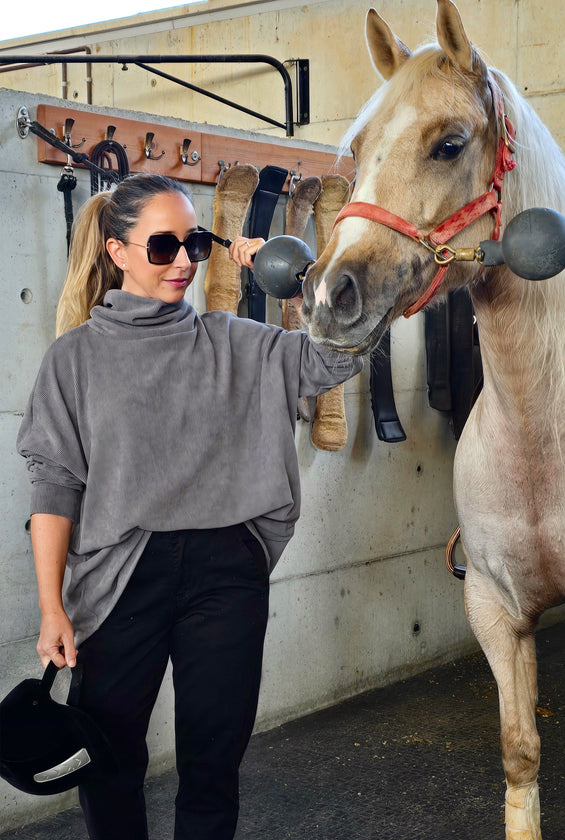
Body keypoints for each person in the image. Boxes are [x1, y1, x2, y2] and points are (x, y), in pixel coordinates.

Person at [17, 173, 363, 840]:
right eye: (163, 246)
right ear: (117, 253)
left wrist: (295, 282)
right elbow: (55, 486)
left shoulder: (233, 340)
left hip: (225, 569)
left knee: (213, 765)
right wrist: (52, 607)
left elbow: (333, 360)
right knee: (109, 762)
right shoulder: (75, 360)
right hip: (119, 577)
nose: (183, 262)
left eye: (196, 244)